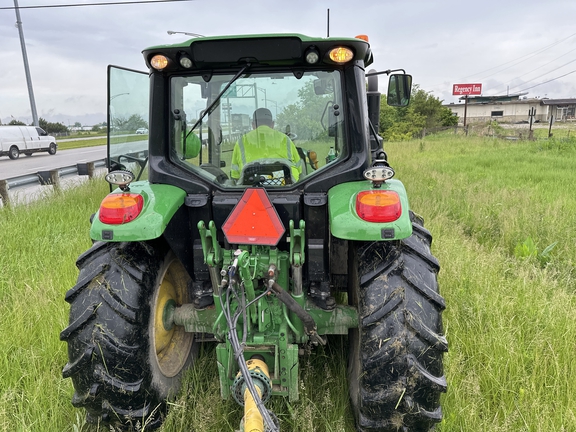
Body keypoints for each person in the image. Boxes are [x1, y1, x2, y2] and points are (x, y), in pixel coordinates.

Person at [230, 108, 302, 183]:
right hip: (284, 187)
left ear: (253, 124)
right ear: (272, 124)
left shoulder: (241, 141)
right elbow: (299, 169)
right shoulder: (285, 139)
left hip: (251, 186)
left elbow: (235, 175)